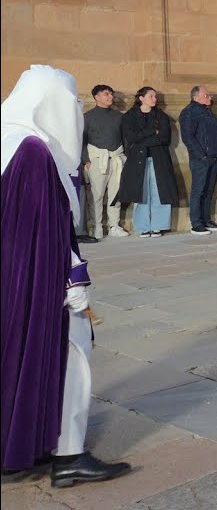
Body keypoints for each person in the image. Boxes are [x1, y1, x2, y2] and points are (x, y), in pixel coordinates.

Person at [1, 65, 131, 486]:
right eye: (71, 103)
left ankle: (22, 444)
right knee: (75, 355)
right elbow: (42, 230)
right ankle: (69, 453)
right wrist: (73, 279)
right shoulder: (33, 151)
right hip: (40, 277)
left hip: (12, 276)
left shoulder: (7, 139)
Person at [116, 87, 179, 238]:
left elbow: (164, 139)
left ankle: (158, 225)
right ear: (141, 98)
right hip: (138, 160)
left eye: (155, 96)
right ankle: (143, 227)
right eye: (151, 96)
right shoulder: (130, 116)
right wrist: (151, 132)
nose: (155, 99)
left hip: (159, 159)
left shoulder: (161, 116)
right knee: (141, 193)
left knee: (160, 192)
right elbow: (131, 138)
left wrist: (142, 138)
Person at [81, 84, 127, 239]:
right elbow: (82, 141)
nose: (110, 97)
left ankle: (114, 225)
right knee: (96, 195)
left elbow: (125, 139)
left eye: (111, 94)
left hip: (116, 159)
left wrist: (125, 158)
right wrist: (86, 160)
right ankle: (97, 227)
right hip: (96, 160)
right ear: (96, 97)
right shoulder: (87, 117)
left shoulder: (119, 117)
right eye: (106, 94)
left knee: (116, 194)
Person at [179, 86, 217, 235]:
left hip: (214, 156)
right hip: (202, 158)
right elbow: (188, 137)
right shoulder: (189, 112)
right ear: (196, 97)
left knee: (209, 190)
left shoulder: (208, 112)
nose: (209, 98)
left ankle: (206, 219)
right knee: (198, 190)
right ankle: (196, 222)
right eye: (206, 95)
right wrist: (201, 155)